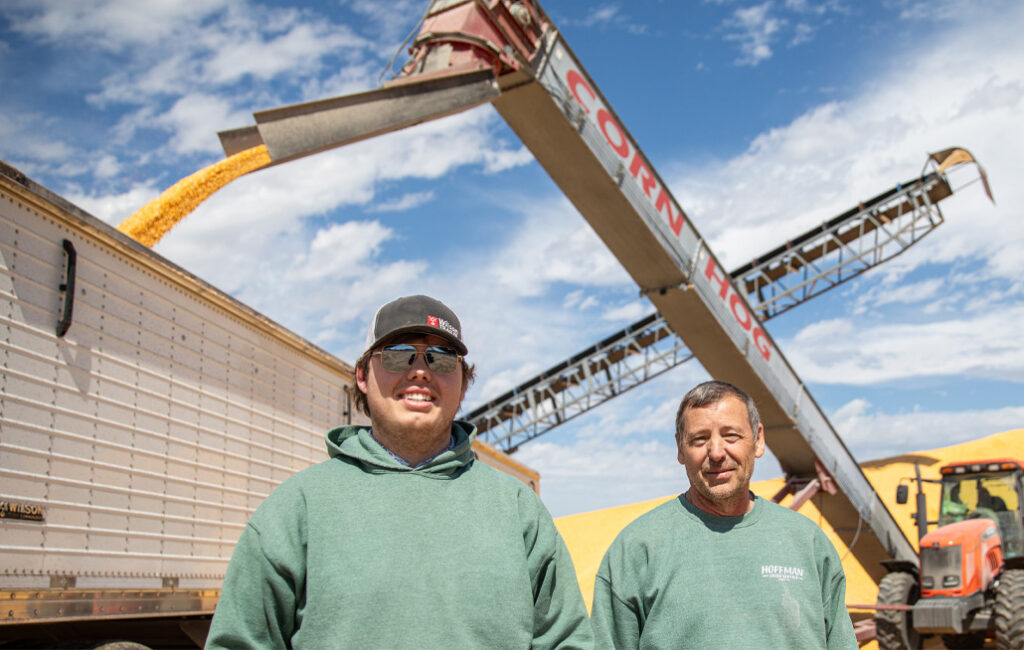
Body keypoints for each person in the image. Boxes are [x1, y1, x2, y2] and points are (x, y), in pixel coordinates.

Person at [206, 295, 593, 649]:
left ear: (463, 384)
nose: (421, 371)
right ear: (362, 376)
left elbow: (568, 641)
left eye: (442, 358)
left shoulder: (518, 510)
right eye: (398, 354)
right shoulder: (297, 508)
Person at [590, 380, 857, 649]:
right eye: (699, 439)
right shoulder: (636, 549)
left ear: (758, 440)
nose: (716, 453)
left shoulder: (809, 543)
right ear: (680, 448)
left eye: (731, 436)